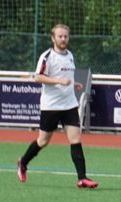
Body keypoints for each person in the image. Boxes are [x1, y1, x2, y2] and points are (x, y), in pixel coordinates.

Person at [15, 23, 99, 189]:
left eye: (65, 36)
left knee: (76, 139)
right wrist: (59, 81)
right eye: (60, 36)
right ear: (53, 38)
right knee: (43, 141)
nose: (63, 39)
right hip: (51, 106)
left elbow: (67, 77)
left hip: (69, 105)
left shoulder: (70, 55)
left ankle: (82, 178)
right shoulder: (47, 56)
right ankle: (23, 162)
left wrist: (74, 84)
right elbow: (38, 77)